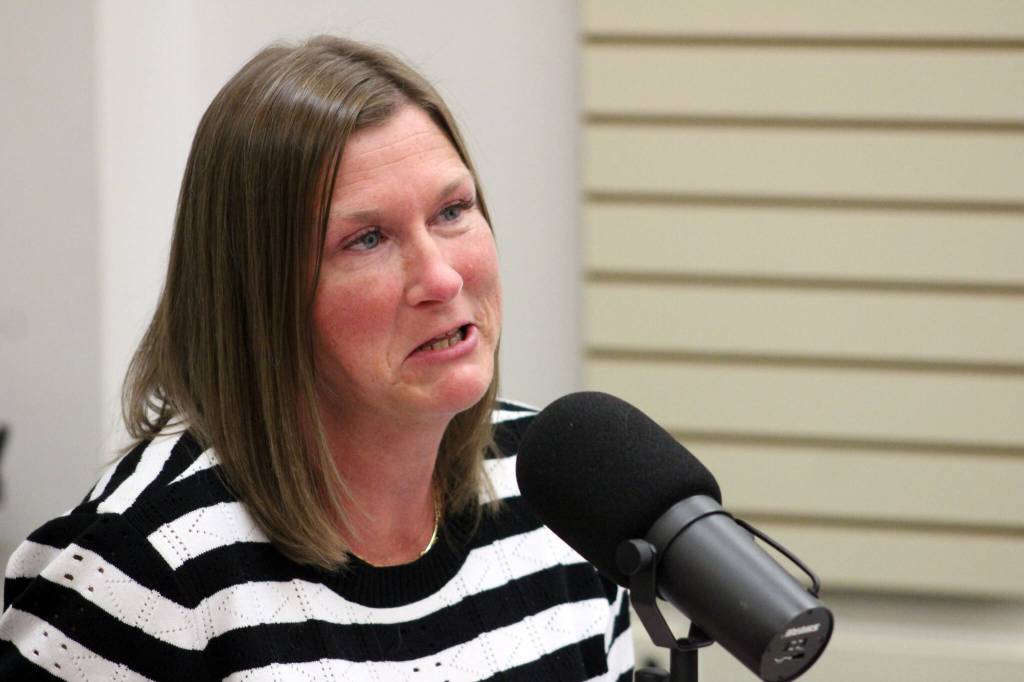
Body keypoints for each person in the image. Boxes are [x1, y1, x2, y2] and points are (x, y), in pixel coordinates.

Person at [0, 35, 633, 680]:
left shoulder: (560, 499)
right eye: (367, 239)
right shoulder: (144, 567)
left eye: (452, 210)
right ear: (259, 299)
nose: (441, 278)